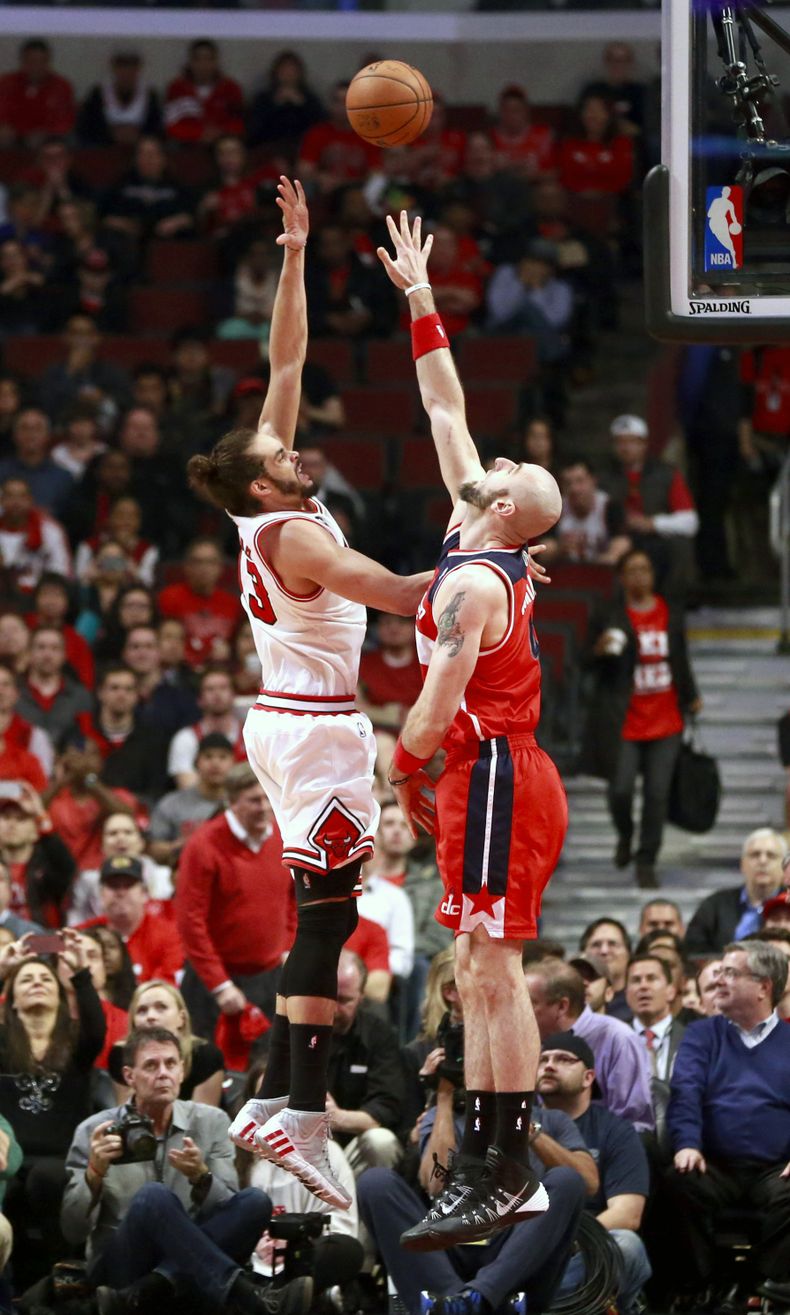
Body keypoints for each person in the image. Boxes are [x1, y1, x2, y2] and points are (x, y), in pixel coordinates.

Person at [187, 180, 428, 1210]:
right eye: (278, 456)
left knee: (322, 912)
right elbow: (392, 593)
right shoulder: (290, 531)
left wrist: (293, 253)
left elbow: (285, 359)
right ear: (259, 488)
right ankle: (295, 1114)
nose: (292, 448)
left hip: (298, 717)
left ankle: (276, 1102)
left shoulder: (269, 501)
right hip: (314, 726)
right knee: (326, 920)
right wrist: (491, 557)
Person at [374, 211, 567, 1245]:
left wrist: (391, 769)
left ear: (505, 513)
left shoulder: (473, 593)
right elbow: (442, 401)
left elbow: (435, 712)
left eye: (502, 471)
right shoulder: (471, 522)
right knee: (480, 963)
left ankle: (503, 1160)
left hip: (493, 766)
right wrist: (418, 295)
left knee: (491, 965)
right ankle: (495, 1159)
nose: (488, 457)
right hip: (485, 766)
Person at [61, 1026, 312, 1315]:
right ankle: (250, 1297)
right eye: (151, 1066)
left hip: (192, 1270)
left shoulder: (212, 1121)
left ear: (182, 1071)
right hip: (123, 1266)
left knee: (255, 1202)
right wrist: (94, 1172)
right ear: (130, 1076)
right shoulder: (95, 1131)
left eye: (170, 1064)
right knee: (153, 1198)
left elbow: (230, 1210)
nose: (163, 1073)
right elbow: (72, 1230)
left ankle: (146, 1292)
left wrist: (200, 1177)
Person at [358, 1091, 590, 1315]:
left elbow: (588, 1182)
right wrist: (444, 1097)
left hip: (516, 1249)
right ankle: (457, 1303)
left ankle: (478, 1297)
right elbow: (435, 1183)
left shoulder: (552, 1120)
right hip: (447, 1245)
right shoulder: (443, 1115)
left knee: (567, 1180)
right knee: (374, 1182)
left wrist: (524, 1127)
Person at [664, 941, 790, 1310]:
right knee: (677, 1182)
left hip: (775, 1169)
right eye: (718, 972)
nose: (718, 980)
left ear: (764, 987)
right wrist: (687, 1143)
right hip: (713, 1163)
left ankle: (762, 1285)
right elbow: (685, 1092)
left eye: (730, 973)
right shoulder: (702, 1035)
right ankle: (704, 1286)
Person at [582, 548, 701, 888]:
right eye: (631, 570)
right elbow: (584, 662)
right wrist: (598, 651)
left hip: (666, 718)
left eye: (644, 569)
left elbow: (680, 657)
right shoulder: (609, 614)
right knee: (620, 790)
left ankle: (646, 859)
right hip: (624, 718)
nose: (639, 576)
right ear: (621, 578)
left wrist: (691, 695)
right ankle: (625, 833)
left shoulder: (670, 612)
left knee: (657, 793)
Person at [0, 931, 105, 1285]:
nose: (36, 983)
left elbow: (97, 1025)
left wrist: (79, 973)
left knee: (46, 1178)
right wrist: (2, 970)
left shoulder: (76, 1044)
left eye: (45, 978)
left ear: (62, 999)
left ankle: (60, 1277)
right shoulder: (2, 1044)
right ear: (10, 1000)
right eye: (25, 979)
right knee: (10, 1185)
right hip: (8, 1159)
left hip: (62, 1160)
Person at [175, 763, 295, 1041]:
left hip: (269, 978)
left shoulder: (283, 836)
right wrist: (219, 985)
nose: (264, 807)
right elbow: (190, 921)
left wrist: (287, 947)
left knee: (266, 1069)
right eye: (254, 800)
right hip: (213, 983)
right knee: (207, 1069)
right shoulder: (204, 844)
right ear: (231, 802)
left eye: (268, 797)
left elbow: (292, 898)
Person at [538, 1031, 652, 1315]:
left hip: (586, 1243)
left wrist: (569, 1242)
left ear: (589, 1077)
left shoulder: (615, 1131)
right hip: (525, 1240)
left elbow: (628, 1213)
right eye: (543, 1060)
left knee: (626, 1247)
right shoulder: (517, 1122)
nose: (549, 1065)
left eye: (563, 1059)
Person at [524, 958, 653, 1130]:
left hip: (605, 1149)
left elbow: (634, 1123)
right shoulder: (528, 1041)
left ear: (562, 1006)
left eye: (528, 1002)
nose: (519, 1010)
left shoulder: (618, 1039)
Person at [325, 950, 405, 1175]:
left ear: (361, 997)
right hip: (299, 1145)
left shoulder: (379, 1035)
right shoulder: (292, 1029)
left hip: (352, 1147)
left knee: (382, 1141)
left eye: (343, 1000)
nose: (332, 1008)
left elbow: (387, 1109)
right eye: (327, 996)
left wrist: (337, 1117)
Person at [108, 979, 225, 1106]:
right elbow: (125, 1113)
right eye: (142, 1010)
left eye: (161, 1008)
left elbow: (205, 1121)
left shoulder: (206, 1056)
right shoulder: (120, 1055)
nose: (150, 1016)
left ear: (181, 1018)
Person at [82, 854, 184, 985]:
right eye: (113, 886)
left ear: (144, 893)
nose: (121, 893)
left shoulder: (170, 936)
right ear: (101, 894)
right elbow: (51, 945)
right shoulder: (86, 932)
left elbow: (166, 985)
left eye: (128, 885)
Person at [685, 828, 787, 957]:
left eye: (771, 855)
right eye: (755, 855)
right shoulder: (715, 905)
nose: (762, 861)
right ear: (742, 864)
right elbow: (695, 952)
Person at [68, 809, 170, 927]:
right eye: (112, 833)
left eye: (128, 832)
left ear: (141, 842)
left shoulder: (164, 876)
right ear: (102, 844)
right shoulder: (88, 880)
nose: (120, 838)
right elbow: (76, 919)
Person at [148, 733, 233, 869]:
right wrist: (184, 845)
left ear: (233, 763)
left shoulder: (242, 805)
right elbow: (154, 850)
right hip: (183, 870)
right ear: (196, 762)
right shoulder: (172, 803)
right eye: (208, 756)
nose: (215, 763)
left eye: (223, 757)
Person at [158, 539, 241, 672]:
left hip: (221, 672)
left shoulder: (233, 603)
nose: (204, 568)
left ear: (220, 568)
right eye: (198, 562)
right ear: (186, 566)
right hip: (180, 670)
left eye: (210, 562)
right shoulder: (168, 597)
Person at [0, 781, 75, 928]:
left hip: (44, 941)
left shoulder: (49, 864)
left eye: (20, 819)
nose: (11, 824)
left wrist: (40, 813)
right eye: (6, 818)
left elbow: (67, 866)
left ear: (35, 831)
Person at [167, 666, 245, 788]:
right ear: (199, 699)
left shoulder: (250, 736)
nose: (217, 694)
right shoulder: (186, 738)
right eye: (210, 689)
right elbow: (188, 787)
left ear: (233, 695)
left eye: (223, 688)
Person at [16, 623, 91, 747]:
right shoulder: (12, 692)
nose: (47, 655)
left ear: (64, 655)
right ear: (29, 652)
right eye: (41, 647)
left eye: (55, 648)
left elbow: (84, 741)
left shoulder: (80, 695)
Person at [164, 39, 244, 145]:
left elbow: (239, 122)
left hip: (223, 145)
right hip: (187, 146)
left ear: (216, 62)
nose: (203, 64)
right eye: (198, 59)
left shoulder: (231, 88)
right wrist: (198, 134)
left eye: (208, 59)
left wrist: (221, 133)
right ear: (190, 62)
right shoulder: (177, 88)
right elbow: (170, 124)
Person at [0, 476, 72, 592]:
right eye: (10, 496)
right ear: (1, 500)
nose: (16, 502)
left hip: (38, 596)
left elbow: (61, 572)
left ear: (30, 500)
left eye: (21, 496)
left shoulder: (50, 530)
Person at [555, 455, 630, 565]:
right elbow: (545, 546)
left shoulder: (610, 507)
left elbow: (624, 542)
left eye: (580, 481)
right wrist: (559, 549)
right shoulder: (555, 508)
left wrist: (609, 557)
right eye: (568, 483)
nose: (574, 489)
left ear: (593, 481)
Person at [76, 50, 162, 147]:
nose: (126, 74)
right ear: (114, 69)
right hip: (105, 148)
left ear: (138, 70)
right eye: (122, 68)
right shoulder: (97, 94)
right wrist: (110, 133)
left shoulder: (150, 95)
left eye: (131, 69)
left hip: (140, 149)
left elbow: (158, 129)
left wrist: (139, 135)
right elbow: (86, 128)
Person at [0, 39, 75, 147]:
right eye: (32, 61)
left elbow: (66, 121)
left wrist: (47, 132)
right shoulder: (6, 83)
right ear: (23, 61)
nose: (36, 67)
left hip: (48, 138)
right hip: (12, 137)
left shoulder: (61, 86)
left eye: (41, 61)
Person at [625, 954, 686, 1082]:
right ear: (626, 994)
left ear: (671, 991)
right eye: (636, 980)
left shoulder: (692, 1039)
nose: (643, 986)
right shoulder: (616, 1040)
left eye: (651, 979)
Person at [579, 917, 632, 1018]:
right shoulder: (570, 1005)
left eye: (612, 944)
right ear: (582, 953)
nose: (604, 951)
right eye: (596, 945)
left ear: (628, 954)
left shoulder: (639, 1003)